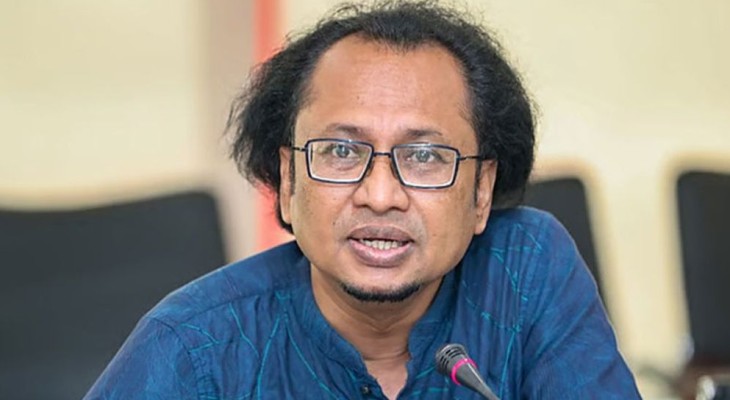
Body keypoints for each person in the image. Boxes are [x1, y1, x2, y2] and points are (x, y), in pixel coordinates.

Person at [85, 1, 641, 399]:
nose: (380, 195)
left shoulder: (525, 271)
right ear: (288, 181)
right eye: (341, 151)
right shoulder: (194, 347)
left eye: (424, 156)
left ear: (481, 193)